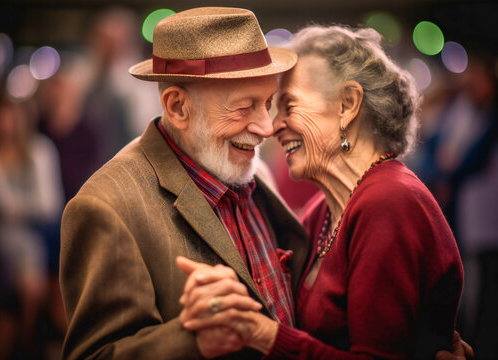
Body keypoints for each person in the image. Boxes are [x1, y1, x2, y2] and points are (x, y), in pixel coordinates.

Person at [177, 25, 468, 360]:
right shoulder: (324, 209)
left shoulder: (390, 202)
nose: (272, 127)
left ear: (347, 104)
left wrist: (262, 333)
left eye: (289, 106)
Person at [59, 7, 308, 360]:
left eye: (267, 103)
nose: (266, 127)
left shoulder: (252, 169)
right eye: (244, 107)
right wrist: (191, 339)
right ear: (177, 107)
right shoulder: (107, 207)